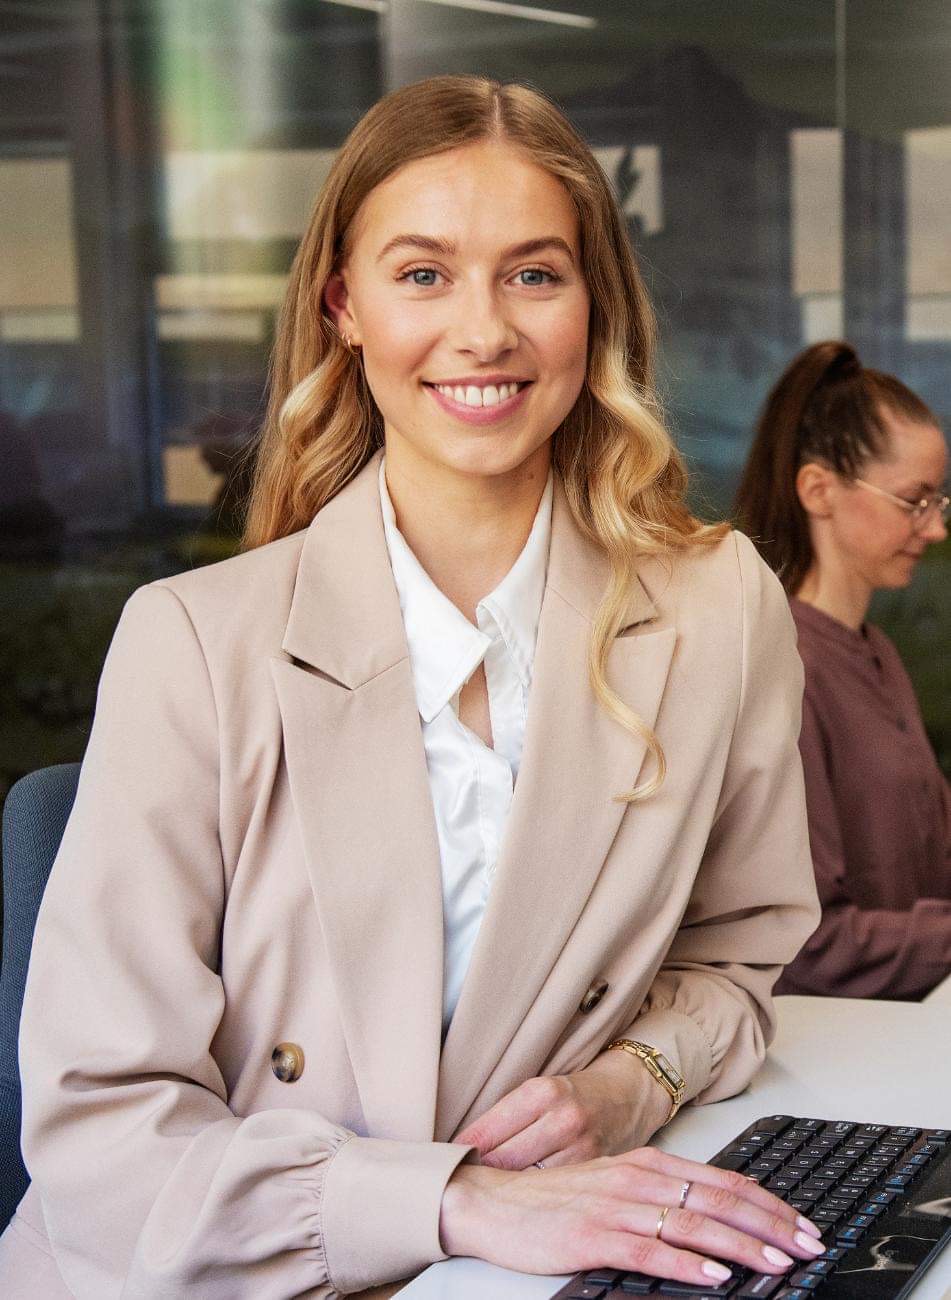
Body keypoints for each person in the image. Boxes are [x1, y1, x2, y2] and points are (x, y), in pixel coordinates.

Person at [0, 76, 823, 1298]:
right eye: (424, 274)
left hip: (536, 1267)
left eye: (535, 274)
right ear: (345, 304)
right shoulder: (192, 640)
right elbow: (97, 1130)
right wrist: (452, 1201)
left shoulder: (720, 608)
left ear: (594, 307)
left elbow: (739, 958)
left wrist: (629, 1080)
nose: (483, 331)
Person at [734, 340, 951, 1001]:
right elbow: (806, 944)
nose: (934, 528)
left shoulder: (876, 650)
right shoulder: (780, 666)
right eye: (914, 501)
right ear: (817, 489)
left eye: (938, 501)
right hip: (833, 1055)